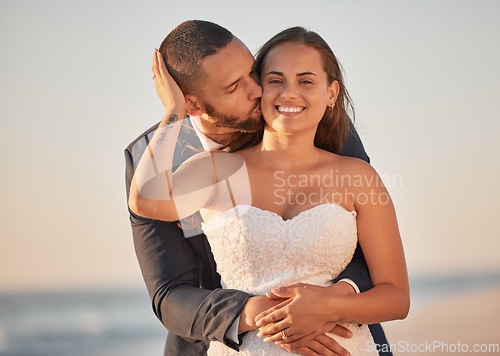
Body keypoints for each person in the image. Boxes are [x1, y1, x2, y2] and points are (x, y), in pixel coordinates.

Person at [125, 20, 395, 356]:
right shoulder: (156, 163)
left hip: (341, 337)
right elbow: (170, 294)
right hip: (225, 340)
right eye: (233, 87)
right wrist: (266, 314)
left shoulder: (309, 116)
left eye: (253, 72)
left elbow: (373, 249)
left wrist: (330, 301)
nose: (258, 90)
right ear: (192, 105)